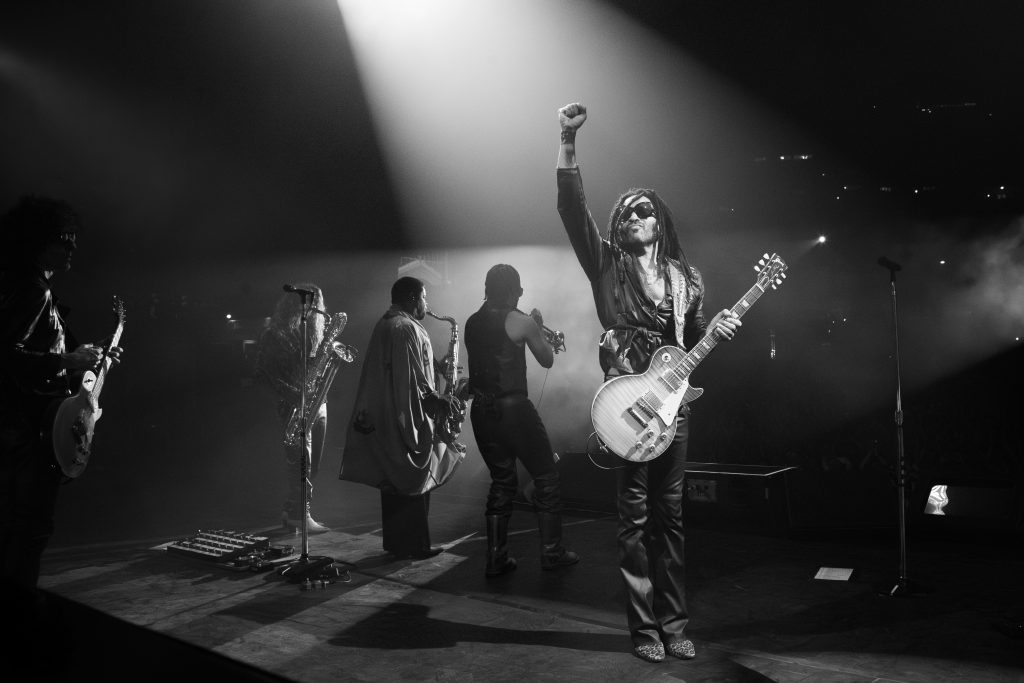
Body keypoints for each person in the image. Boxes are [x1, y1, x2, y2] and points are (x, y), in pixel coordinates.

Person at [555, 102, 741, 663]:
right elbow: (572, 210)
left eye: (644, 210)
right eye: (626, 213)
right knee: (633, 521)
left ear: (660, 222)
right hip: (626, 404)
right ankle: (644, 631)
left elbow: (693, 342)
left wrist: (717, 330)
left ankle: (675, 623)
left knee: (671, 518)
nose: (634, 215)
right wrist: (567, 140)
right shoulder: (606, 264)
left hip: (674, 410)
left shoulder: (686, 279)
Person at [0, 195, 122, 618]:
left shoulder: (33, 288)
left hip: (26, 423)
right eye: (63, 239)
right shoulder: (31, 290)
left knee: (20, 523)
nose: (72, 247)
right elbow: (8, 355)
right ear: (38, 243)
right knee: (28, 524)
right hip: (25, 427)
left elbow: (43, 355)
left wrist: (86, 356)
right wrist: (69, 360)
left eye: (73, 239)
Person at [464, 264, 579, 578]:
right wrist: (536, 328)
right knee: (546, 476)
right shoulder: (522, 321)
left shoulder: (471, 322)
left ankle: (496, 558)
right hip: (514, 409)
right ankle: (552, 552)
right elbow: (547, 359)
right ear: (516, 290)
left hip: (482, 411)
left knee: (501, 482)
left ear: (487, 289)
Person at [340, 277, 464, 560]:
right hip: (407, 415)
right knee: (412, 476)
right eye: (424, 297)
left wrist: (438, 367)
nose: (426, 304)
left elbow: (404, 368)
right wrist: (436, 398)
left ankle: (397, 544)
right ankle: (415, 545)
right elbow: (410, 378)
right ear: (412, 297)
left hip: (387, 413)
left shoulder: (387, 323)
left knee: (394, 479)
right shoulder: (406, 327)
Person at [255, 284, 331, 534]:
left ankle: (292, 510)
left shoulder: (314, 331)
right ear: (293, 303)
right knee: (300, 462)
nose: (313, 307)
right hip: (293, 403)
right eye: (309, 301)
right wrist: (293, 394)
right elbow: (264, 373)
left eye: (316, 302)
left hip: (318, 401)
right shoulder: (275, 334)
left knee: (313, 465)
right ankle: (300, 514)